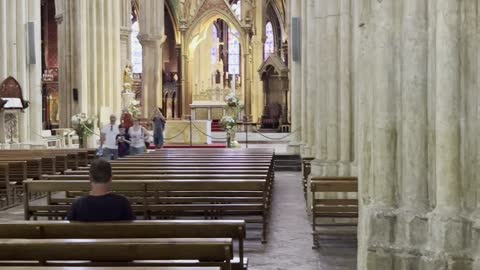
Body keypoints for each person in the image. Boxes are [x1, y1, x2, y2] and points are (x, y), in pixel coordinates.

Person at [67, 159, 135, 222]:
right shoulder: (122, 203)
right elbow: (133, 228)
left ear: (90, 178)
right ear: (111, 178)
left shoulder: (78, 204)